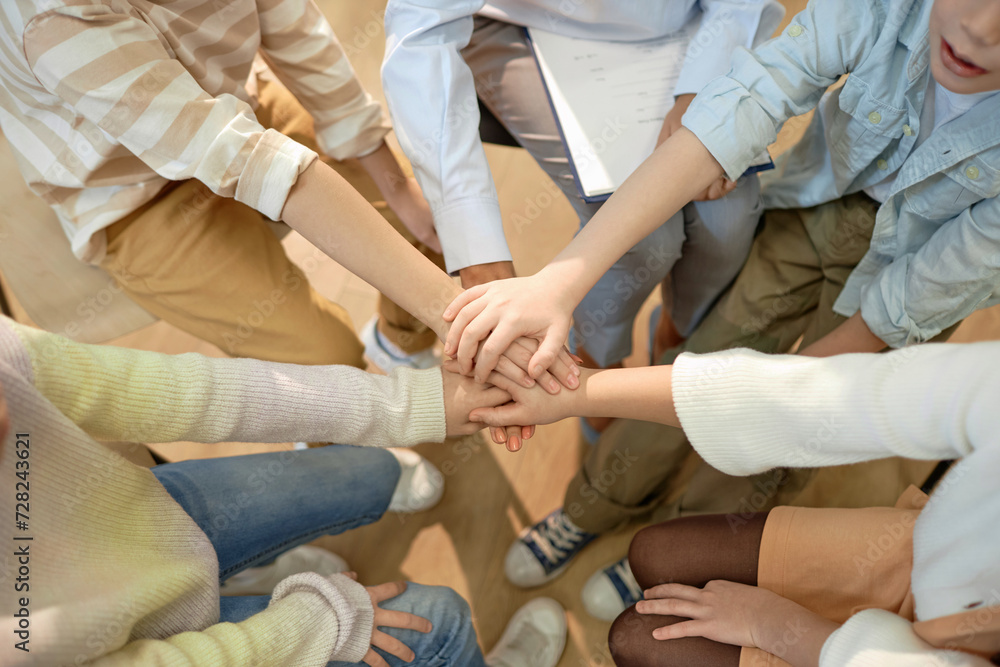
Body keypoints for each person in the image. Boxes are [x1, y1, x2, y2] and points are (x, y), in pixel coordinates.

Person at [441, 0, 1000, 620]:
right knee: (709, 349)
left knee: (794, 429)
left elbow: (927, 289)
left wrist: (765, 396)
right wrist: (558, 283)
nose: (979, 29)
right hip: (807, 210)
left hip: (911, 284)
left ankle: (683, 543)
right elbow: (746, 101)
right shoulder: (883, 9)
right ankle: (595, 503)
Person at [0, 313, 568, 666]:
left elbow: (198, 392)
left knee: (366, 473)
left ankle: (242, 571)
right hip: (134, 647)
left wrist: (414, 404)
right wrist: (316, 623)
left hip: (136, 524)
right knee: (437, 621)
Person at [381, 0, 784, 434]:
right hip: (525, 21)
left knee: (731, 215)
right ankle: (594, 365)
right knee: (646, 241)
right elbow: (421, 28)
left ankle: (677, 338)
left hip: (688, 27)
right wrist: (477, 250)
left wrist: (702, 87)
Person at [465, 341, 1000, 667]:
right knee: (655, 553)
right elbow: (826, 397)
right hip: (924, 568)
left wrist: (773, 625)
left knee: (636, 638)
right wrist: (575, 393)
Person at [0, 0, 445, 374]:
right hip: (129, 196)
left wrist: (400, 191)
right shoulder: (54, 20)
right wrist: (451, 309)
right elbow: (243, 159)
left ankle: (400, 348)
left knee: (437, 219)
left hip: (234, 105)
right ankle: (345, 459)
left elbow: (293, 27)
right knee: (325, 360)